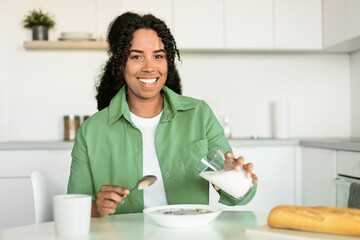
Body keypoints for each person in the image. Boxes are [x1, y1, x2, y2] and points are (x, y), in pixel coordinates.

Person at [67, 12, 258, 217]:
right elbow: (72, 207)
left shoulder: (198, 114)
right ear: (121, 63)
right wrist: (97, 207)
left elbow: (242, 196)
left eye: (158, 56)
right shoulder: (92, 130)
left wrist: (236, 177)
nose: (149, 67)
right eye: (137, 56)